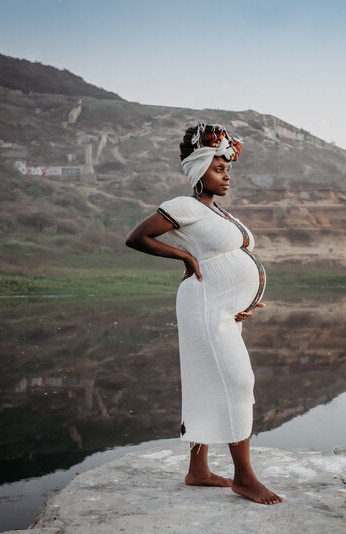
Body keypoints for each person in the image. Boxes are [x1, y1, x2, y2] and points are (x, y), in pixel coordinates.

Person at [125, 123, 282, 505]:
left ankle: (198, 471)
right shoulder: (184, 206)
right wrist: (183, 255)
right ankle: (244, 479)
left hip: (223, 310)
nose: (227, 176)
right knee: (238, 383)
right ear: (199, 171)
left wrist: (241, 302)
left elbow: (228, 259)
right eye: (218, 169)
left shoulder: (217, 212)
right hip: (203, 306)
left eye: (228, 169)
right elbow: (137, 237)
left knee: (205, 381)